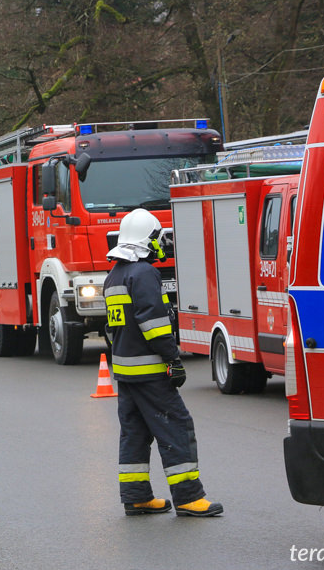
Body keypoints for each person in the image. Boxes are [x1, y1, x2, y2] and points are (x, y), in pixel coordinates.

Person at [104, 209, 223, 517]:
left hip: (126, 372)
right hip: (150, 371)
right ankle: (188, 497)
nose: (161, 244)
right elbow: (153, 323)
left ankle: (136, 496)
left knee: (135, 433)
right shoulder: (143, 273)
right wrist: (173, 359)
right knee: (176, 427)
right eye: (158, 239)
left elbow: (112, 327)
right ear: (148, 240)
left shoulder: (114, 273)